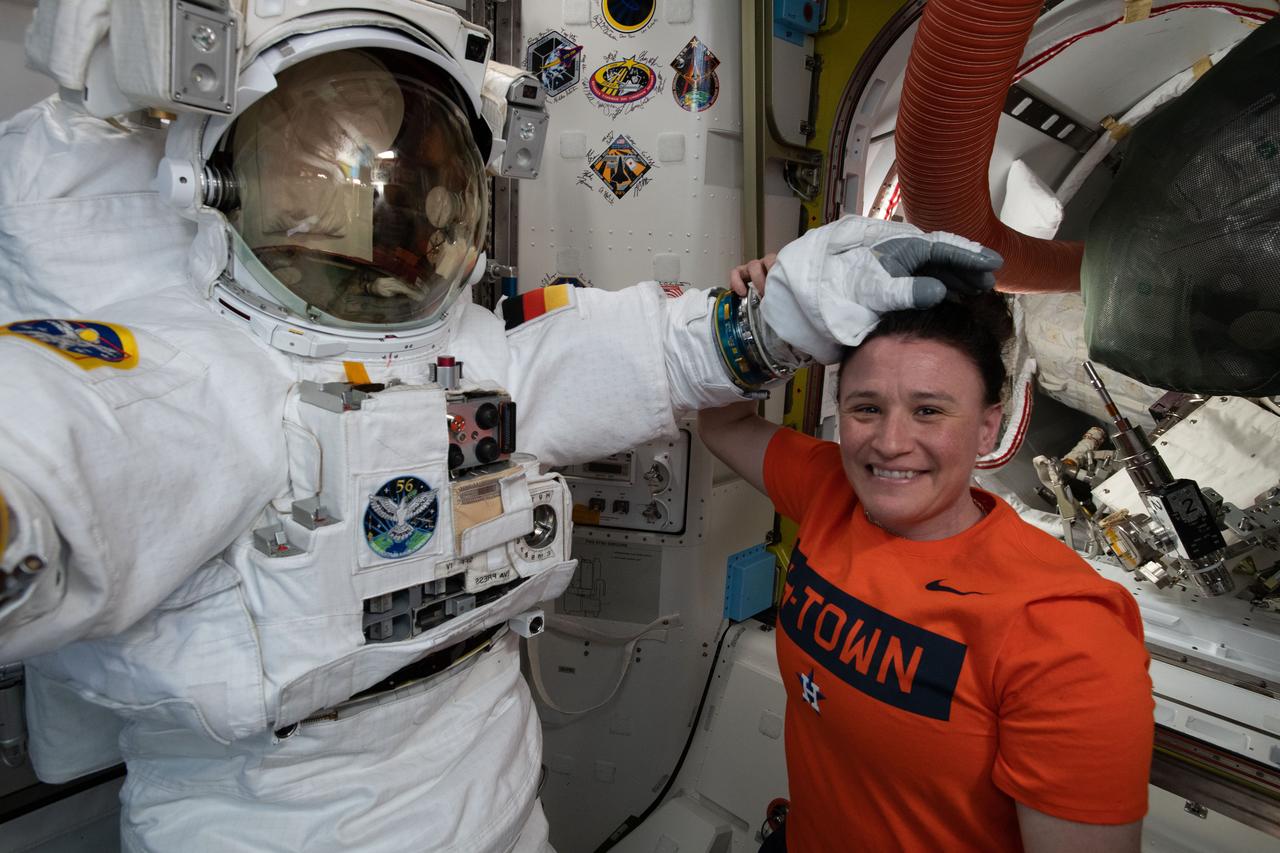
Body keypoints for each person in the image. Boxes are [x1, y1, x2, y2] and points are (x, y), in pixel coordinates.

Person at [0, 4, 1004, 850]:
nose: (376, 200)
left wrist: (779, 314)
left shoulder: (469, 351)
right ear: (221, 176)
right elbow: (62, 447)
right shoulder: (187, 376)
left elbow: (638, 353)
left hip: (488, 777)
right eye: (322, 162)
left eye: (401, 165)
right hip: (274, 810)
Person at [700, 248, 1154, 852]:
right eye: (866, 408)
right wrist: (765, 323)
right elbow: (721, 424)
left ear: (989, 426)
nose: (890, 443)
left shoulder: (1064, 633)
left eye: (929, 410)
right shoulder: (829, 488)